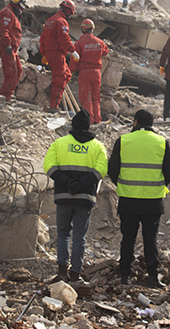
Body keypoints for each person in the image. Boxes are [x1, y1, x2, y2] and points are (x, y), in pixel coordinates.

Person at [107, 109, 170, 288]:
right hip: (152, 201)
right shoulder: (161, 142)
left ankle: (125, 277)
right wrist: (157, 184)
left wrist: (122, 184)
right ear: (152, 124)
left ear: (135, 122)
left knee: (127, 239)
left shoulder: (123, 141)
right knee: (150, 239)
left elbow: (112, 169)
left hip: (128, 199)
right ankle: (152, 277)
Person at [43, 108, 108, 283]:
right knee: (80, 236)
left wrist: (66, 182)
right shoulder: (97, 146)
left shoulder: (60, 143)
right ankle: (75, 273)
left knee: (63, 233)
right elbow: (102, 169)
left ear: (73, 125)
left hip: (64, 195)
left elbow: (48, 165)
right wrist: (81, 184)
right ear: (88, 126)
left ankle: (62, 270)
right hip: (85, 197)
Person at [39, 0, 78, 113]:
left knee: (67, 74)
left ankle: (51, 90)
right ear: (69, 11)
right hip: (57, 53)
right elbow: (64, 39)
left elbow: (43, 39)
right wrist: (72, 50)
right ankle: (53, 107)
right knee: (59, 80)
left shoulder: (49, 21)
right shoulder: (61, 21)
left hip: (50, 53)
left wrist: (44, 53)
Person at [70, 19, 109, 124]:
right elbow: (105, 52)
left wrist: (70, 71)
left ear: (82, 29)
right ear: (92, 29)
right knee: (96, 98)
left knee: (86, 98)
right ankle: (97, 119)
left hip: (85, 73)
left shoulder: (79, 43)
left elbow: (75, 59)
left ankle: (89, 121)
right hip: (97, 73)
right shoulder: (99, 42)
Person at [0, 0, 28, 102]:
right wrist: (7, 45)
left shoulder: (11, 14)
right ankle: (4, 96)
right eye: (20, 7)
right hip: (7, 47)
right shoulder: (7, 13)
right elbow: (3, 31)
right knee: (11, 72)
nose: (21, 9)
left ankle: (9, 94)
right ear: (16, 4)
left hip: (12, 49)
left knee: (18, 70)